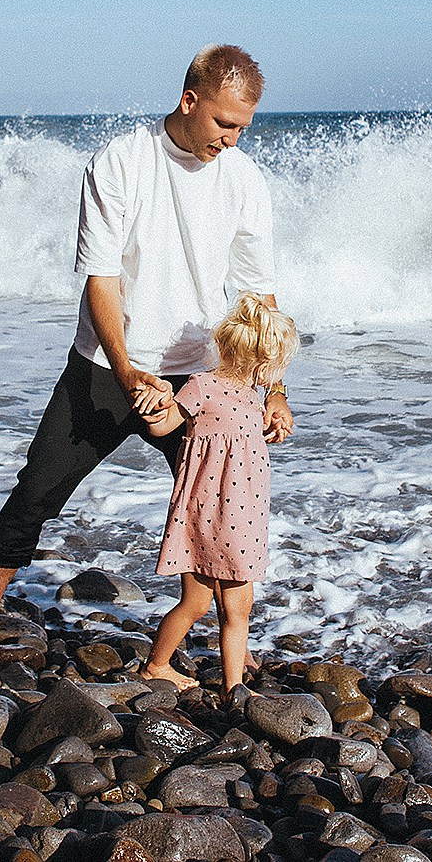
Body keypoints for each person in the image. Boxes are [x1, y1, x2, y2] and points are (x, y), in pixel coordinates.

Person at [0, 45, 293, 663]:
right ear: (189, 100)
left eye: (243, 127)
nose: (232, 139)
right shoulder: (122, 162)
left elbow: (257, 296)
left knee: (219, 509)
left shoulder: (244, 179)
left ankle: (221, 649)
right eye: (223, 123)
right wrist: (128, 367)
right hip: (107, 368)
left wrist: (274, 388)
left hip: (200, 375)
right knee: (37, 489)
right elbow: (102, 279)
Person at [138, 293, 297, 695]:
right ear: (263, 364)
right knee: (229, 609)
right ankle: (216, 683)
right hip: (221, 520)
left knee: (205, 605)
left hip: (221, 517)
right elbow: (162, 427)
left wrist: (271, 429)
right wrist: (154, 406)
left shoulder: (250, 397)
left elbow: (241, 444)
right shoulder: (201, 387)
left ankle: (180, 671)